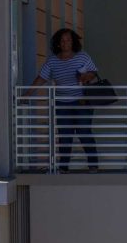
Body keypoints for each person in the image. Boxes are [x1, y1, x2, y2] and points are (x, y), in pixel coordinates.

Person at [31, 27, 99, 172]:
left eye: (68, 40)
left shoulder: (82, 56)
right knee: (65, 136)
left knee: (84, 133)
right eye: (62, 40)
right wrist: (27, 94)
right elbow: (41, 78)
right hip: (62, 103)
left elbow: (93, 72)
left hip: (82, 102)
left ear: (73, 42)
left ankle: (93, 165)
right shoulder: (52, 61)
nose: (65, 43)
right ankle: (64, 167)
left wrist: (86, 76)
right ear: (57, 43)